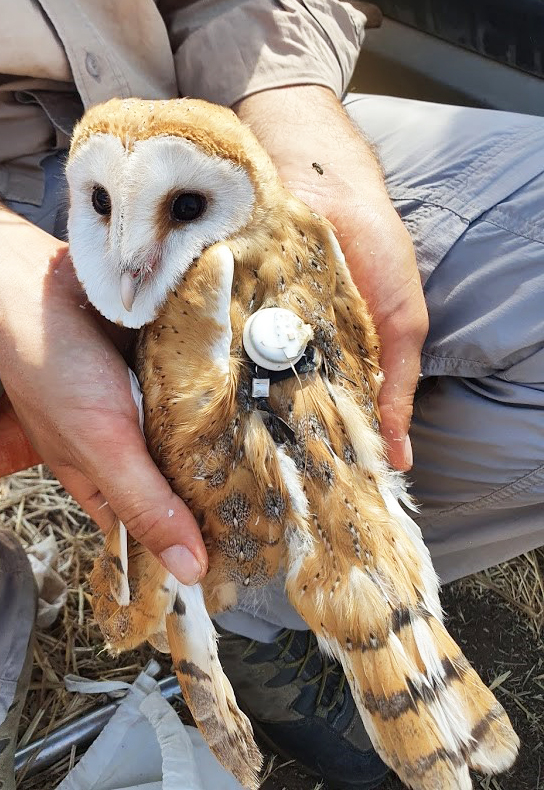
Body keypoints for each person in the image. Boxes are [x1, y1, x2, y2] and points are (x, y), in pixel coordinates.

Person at [1, 2, 543, 788]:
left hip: (204, 124)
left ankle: (261, 602)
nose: (132, 260)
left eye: (176, 220)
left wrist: (298, 122)